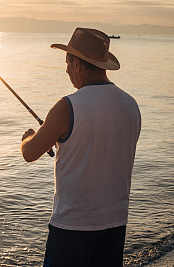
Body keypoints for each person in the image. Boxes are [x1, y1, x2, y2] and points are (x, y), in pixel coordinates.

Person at [21, 28, 141, 266]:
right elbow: (100, 145)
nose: (65, 70)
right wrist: (61, 137)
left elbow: (30, 152)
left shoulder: (67, 106)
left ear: (76, 63)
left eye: (67, 62)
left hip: (72, 227)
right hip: (115, 223)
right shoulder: (131, 105)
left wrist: (30, 136)